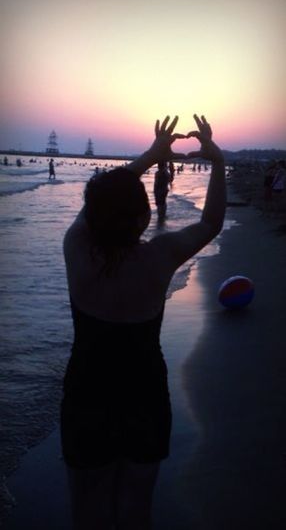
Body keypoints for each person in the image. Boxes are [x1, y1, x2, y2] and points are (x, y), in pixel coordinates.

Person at [60, 114, 226, 529]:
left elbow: (98, 205)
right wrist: (217, 163)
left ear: (94, 216)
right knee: (136, 505)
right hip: (143, 394)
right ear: (142, 219)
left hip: (87, 394)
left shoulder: (77, 250)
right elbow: (211, 223)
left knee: (87, 506)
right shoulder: (160, 256)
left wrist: (150, 157)